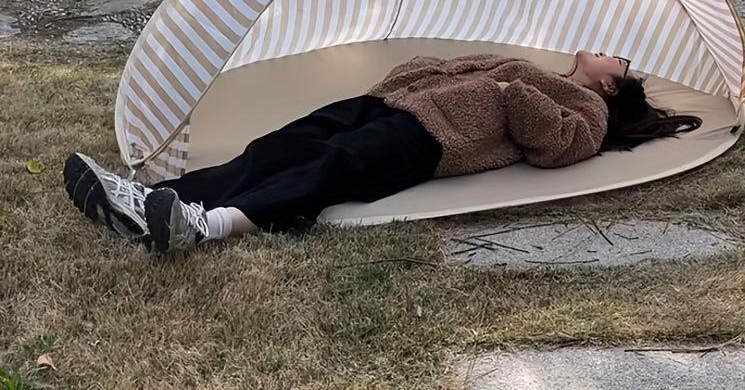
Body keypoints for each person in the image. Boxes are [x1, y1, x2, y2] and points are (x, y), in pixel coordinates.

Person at [63, 50, 701, 255]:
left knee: (329, 170)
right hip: (393, 105)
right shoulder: (537, 65)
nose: (602, 48)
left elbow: (559, 147)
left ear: (610, 82)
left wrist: (508, 92)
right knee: (278, 146)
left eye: (614, 56)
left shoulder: (585, 108)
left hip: (433, 138)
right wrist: (416, 74)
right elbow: (463, 70)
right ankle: (150, 204)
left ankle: (205, 227)